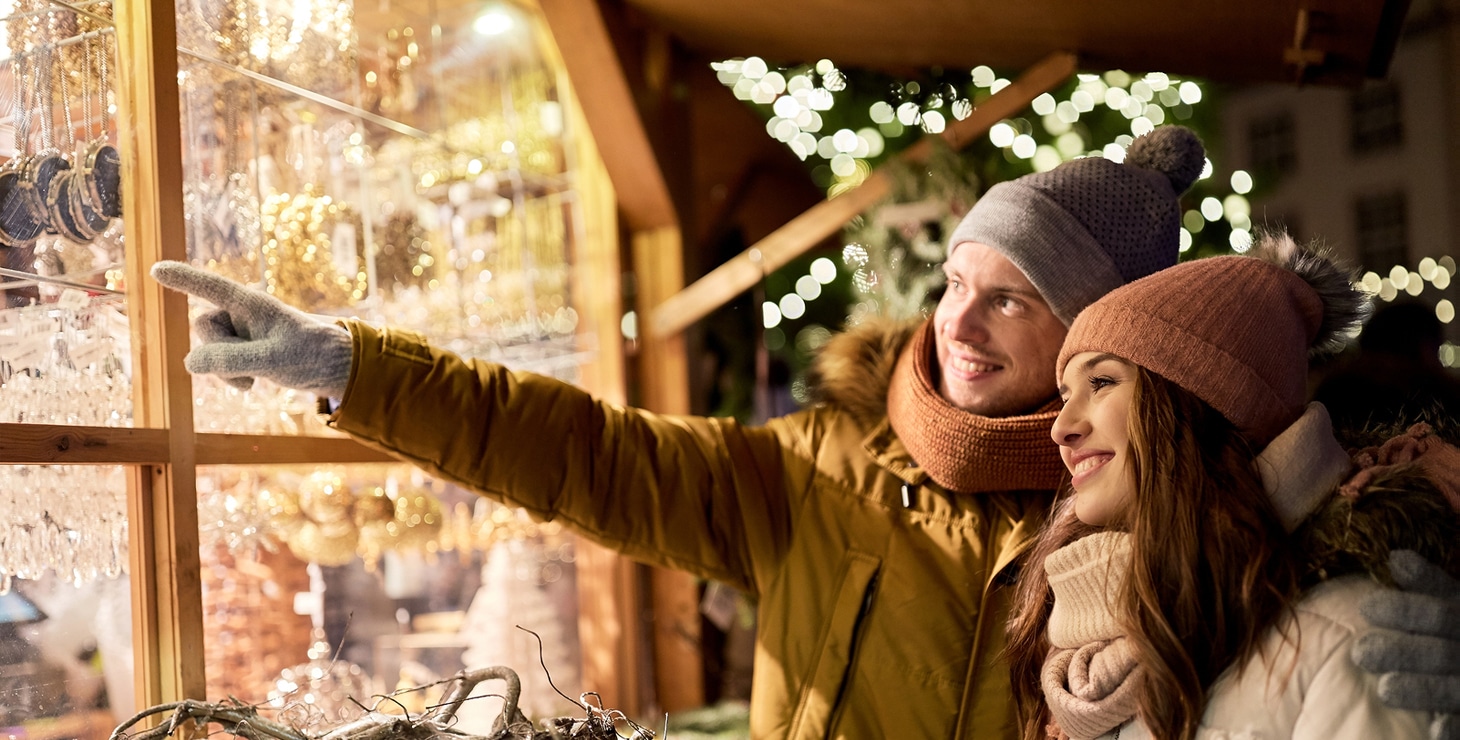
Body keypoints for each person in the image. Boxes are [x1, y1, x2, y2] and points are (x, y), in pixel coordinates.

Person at [150, 124, 1459, 739]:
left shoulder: (1147, 525)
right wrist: (351, 371)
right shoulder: (825, 471)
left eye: (1017, 298)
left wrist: (1393, 620)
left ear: (1099, 344)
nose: (963, 319)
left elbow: (1294, 647)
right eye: (957, 279)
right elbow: (582, 451)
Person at [1006, 233, 1460, 740]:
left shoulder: (1357, 632)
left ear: (1202, 404)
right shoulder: (1086, 648)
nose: (1060, 426)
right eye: (1066, 393)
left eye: (1103, 382)